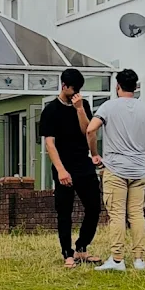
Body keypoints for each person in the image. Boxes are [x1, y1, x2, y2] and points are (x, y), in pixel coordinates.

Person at [86, 69, 145, 272]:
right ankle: (139, 259)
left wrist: (95, 154)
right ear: (135, 87)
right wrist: (144, 155)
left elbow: (91, 129)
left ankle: (117, 259)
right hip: (138, 170)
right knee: (137, 214)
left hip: (115, 168)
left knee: (117, 214)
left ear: (117, 86)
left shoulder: (108, 107)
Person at [39, 69, 101, 268]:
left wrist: (80, 109)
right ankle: (67, 253)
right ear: (64, 86)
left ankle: (82, 247)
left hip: (83, 162)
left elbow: (87, 132)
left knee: (94, 206)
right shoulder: (50, 110)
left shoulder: (83, 105)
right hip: (63, 164)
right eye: (73, 89)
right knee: (64, 211)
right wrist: (61, 170)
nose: (76, 93)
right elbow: (50, 144)